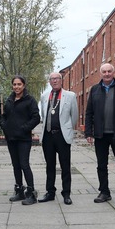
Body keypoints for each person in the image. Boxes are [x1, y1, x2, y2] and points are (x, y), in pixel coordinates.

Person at [84, 63, 115, 205]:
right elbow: (89, 113)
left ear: (113, 73)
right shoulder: (94, 90)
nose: (106, 74)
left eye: (109, 71)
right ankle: (104, 192)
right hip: (100, 135)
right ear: (101, 73)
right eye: (104, 71)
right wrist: (88, 132)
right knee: (101, 165)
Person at [38, 72, 79, 205]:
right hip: (48, 136)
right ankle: (50, 192)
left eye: (57, 78)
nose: (54, 81)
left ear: (61, 80)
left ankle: (66, 193)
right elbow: (43, 116)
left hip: (62, 136)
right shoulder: (45, 96)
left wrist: (67, 129)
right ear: (49, 82)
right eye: (52, 79)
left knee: (65, 166)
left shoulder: (70, 96)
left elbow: (74, 117)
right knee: (50, 166)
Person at [1, 75, 41, 205]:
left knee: (24, 164)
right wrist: (4, 126)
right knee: (16, 165)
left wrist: (24, 128)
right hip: (11, 138)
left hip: (23, 139)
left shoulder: (29, 100)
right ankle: (19, 191)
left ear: (24, 85)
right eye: (14, 84)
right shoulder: (9, 100)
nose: (16, 87)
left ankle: (31, 193)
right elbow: (4, 115)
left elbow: (36, 117)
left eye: (19, 84)